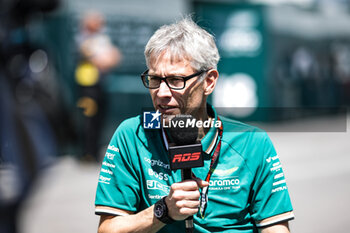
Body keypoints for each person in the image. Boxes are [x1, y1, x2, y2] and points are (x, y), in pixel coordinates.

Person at [94, 17, 294, 233]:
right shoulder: (132, 135)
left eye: (175, 81)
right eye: (154, 80)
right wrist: (164, 211)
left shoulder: (253, 142)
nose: (161, 94)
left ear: (209, 81)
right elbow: (108, 229)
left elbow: (276, 229)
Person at [75, 11, 122, 162]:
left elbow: (115, 57)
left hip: (100, 84)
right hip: (87, 85)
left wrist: (107, 59)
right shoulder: (82, 39)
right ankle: (87, 153)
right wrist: (105, 59)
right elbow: (101, 60)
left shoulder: (101, 39)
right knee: (88, 119)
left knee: (99, 119)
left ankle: (94, 152)